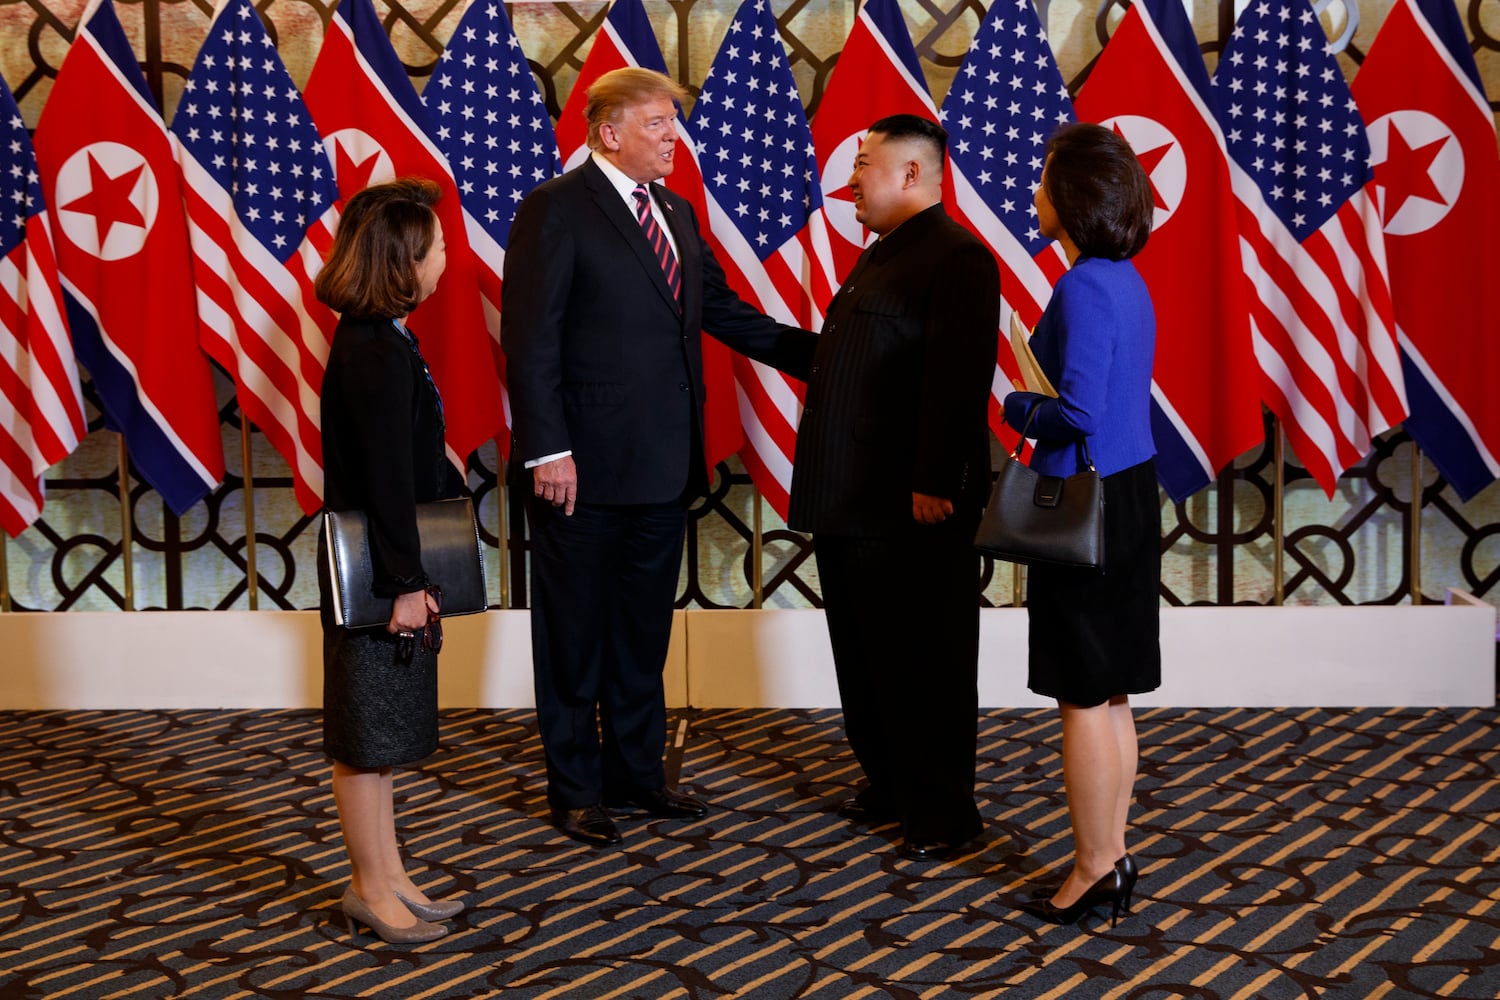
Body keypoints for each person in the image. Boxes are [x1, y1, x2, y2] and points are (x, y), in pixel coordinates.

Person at [501, 67, 815, 848]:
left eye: (673, 122)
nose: (674, 136)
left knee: (642, 631)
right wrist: (547, 448)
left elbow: (720, 311)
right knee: (574, 636)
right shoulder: (555, 207)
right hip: (579, 470)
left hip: (665, 464)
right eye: (657, 123)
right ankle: (576, 790)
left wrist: (827, 355)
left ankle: (636, 776)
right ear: (609, 133)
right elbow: (531, 339)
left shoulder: (674, 209)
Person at [785, 115, 999, 862]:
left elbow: (958, 378)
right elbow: (844, 359)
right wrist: (727, 317)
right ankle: (890, 783)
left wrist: (936, 481)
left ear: (911, 172)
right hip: (852, 500)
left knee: (926, 661)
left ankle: (943, 813)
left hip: (912, 506)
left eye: (863, 164)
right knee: (866, 657)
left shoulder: (957, 255)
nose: (849, 181)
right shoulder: (882, 254)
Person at [1001, 122, 1159, 926]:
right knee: (1110, 688)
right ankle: (1113, 853)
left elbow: (1079, 414)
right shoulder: (1123, 279)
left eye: (1045, 178)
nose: (1036, 191)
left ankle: (1096, 865)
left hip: (1084, 508)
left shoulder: (1086, 285)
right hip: (1126, 494)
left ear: (1074, 196)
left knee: (1083, 695)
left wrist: (1016, 405)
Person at [315, 177, 467, 944]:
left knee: (382, 737)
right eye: (436, 247)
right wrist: (406, 585)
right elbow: (382, 483)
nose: (445, 258)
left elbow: (398, 457)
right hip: (379, 573)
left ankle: (389, 874)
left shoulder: (381, 338)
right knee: (365, 735)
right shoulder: (374, 350)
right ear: (403, 260)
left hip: (389, 564)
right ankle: (369, 887)